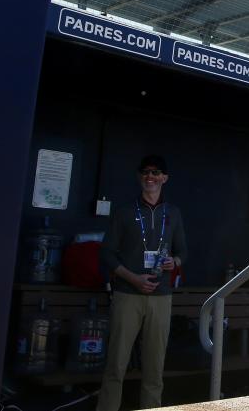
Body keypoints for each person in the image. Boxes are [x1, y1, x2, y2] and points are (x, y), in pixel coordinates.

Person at [98, 155, 187, 411]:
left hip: (161, 297)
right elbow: (106, 254)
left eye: (156, 172)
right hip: (128, 294)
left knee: (154, 368)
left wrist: (175, 261)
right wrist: (133, 278)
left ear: (164, 178)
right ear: (140, 177)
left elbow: (184, 251)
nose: (150, 177)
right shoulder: (125, 212)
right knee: (116, 364)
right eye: (146, 172)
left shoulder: (173, 213)